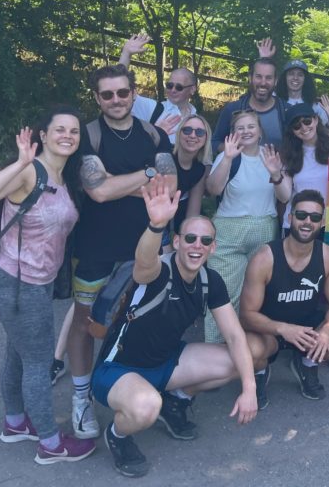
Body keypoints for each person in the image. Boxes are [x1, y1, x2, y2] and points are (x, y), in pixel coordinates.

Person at [94, 177, 257, 477]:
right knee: (145, 407)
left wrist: (249, 388)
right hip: (117, 370)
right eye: (190, 238)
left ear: (213, 247)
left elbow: (234, 335)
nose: (198, 246)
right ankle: (117, 434)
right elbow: (143, 263)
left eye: (205, 241)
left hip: (164, 363)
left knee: (234, 362)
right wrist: (156, 225)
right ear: (178, 241)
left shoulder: (210, 281)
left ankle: (175, 401)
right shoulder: (160, 271)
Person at [0, 110, 96, 465]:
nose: (68, 135)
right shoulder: (30, 170)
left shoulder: (62, 175)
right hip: (16, 282)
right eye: (60, 130)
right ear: (45, 133)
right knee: (39, 362)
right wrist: (20, 162)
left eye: (73, 131)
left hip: (36, 283)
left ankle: (15, 422)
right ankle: (51, 444)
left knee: (18, 353)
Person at [67, 64, 175, 442]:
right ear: (97, 98)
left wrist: (118, 183)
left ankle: (139, 394)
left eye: (122, 92)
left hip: (146, 247)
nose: (116, 100)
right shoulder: (88, 136)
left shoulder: (153, 133)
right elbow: (97, 191)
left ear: (134, 92)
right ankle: (81, 399)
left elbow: (171, 186)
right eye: (107, 94)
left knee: (143, 322)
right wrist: (147, 176)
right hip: (96, 249)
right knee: (85, 324)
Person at [242, 190, 329, 409]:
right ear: (290, 218)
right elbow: (247, 315)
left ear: (322, 222)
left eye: (315, 217)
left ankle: (307, 363)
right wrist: (283, 329)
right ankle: (260, 372)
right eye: (301, 215)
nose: (307, 222)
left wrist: (326, 329)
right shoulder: (264, 258)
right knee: (249, 351)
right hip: (271, 330)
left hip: (309, 330)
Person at [204, 110, 292, 343]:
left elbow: (284, 197)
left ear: (260, 131)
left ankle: (254, 352)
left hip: (264, 227)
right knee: (223, 293)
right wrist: (227, 159)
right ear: (233, 133)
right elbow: (213, 189)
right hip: (229, 229)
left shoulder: (271, 156)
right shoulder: (227, 157)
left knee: (256, 297)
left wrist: (275, 173)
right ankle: (214, 349)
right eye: (240, 128)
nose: (246, 131)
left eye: (251, 126)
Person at [117, 33, 196, 142]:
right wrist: (126, 54)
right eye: (169, 85)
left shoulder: (197, 120)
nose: (172, 90)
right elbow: (117, 89)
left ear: (192, 89)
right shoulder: (153, 108)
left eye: (179, 87)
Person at [212, 57, 291, 151]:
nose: (263, 82)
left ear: (275, 81)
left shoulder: (286, 111)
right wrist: (235, 151)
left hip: (277, 165)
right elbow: (215, 143)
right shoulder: (233, 109)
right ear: (250, 78)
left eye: (268, 78)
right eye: (258, 76)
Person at [171, 113, 212, 244]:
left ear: (206, 138)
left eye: (199, 132)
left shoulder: (199, 169)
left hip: (170, 219)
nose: (193, 135)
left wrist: (188, 240)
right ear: (179, 134)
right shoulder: (166, 156)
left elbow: (192, 214)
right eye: (187, 130)